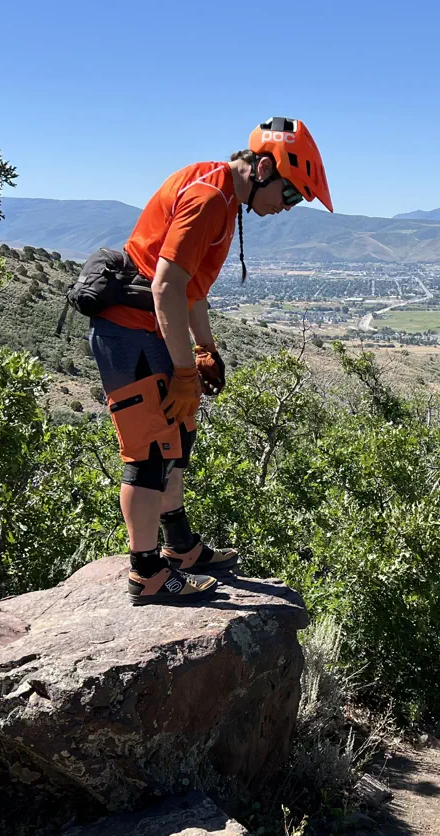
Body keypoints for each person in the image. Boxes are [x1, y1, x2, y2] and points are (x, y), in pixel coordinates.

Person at [89, 118, 334, 604]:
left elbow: (191, 291)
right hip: (130, 334)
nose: (287, 209)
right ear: (265, 168)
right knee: (147, 454)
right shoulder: (208, 199)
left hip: (153, 330)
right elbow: (166, 287)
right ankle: (147, 574)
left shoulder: (223, 196)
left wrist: (206, 350)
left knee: (178, 434)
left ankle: (180, 548)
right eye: (290, 196)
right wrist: (183, 371)